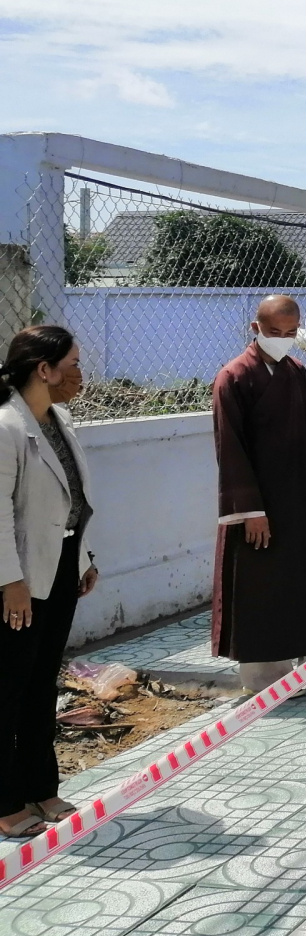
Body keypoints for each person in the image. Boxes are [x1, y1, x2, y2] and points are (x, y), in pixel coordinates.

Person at [212, 295, 306, 697]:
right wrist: (250, 511)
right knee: (263, 588)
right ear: (255, 329)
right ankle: (267, 681)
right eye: (275, 333)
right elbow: (230, 449)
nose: (283, 340)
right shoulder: (233, 377)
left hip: (303, 499)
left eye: (291, 333)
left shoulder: (295, 370)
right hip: (261, 506)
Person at [0, 326, 97, 838]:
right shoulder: (6, 427)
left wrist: (84, 557)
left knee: (42, 684)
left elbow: (70, 500)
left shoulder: (58, 420)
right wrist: (10, 581)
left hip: (59, 566)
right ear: (45, 369)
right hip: (18, 578)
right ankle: (7, 802)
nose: (82, 373)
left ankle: (42, 789)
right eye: (75, 363)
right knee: (8, 688)